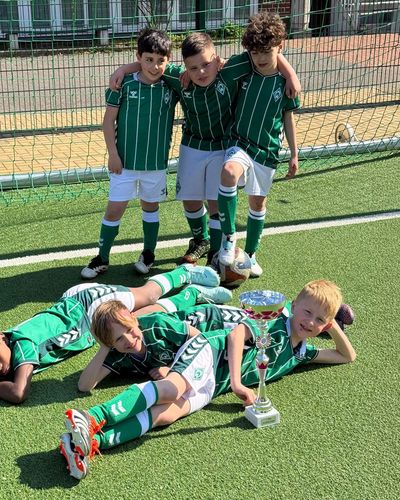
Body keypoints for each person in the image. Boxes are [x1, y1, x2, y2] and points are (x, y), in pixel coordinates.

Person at [59, 280, 356, 480]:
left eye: (320, 320)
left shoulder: (300, 352)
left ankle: (89, 443)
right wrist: (238, 384)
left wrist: (331, 326)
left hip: (214, 384)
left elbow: (346, 356)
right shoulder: (274, 324)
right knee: (170, 389)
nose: (311, 322)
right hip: (209, 351)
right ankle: (92, 416)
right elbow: (236, 334)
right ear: (294, 305)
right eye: (307, 312)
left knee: (166, 415)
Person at [110, 31, 300, 266]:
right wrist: (123, 70)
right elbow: (151, 66)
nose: (201, 72)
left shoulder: (229, 71)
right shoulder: (178, 77)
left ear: (217, 59)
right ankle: (201, 240)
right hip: (193, 144)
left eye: (206, 64)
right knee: (190, 201)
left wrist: (290, 74)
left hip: (223, 146)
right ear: (184, 68)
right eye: (193, 68)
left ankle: (216, 253)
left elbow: (265, 53)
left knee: (215, 202)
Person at [0, 264, 223, 404]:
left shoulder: (22, 342)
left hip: (86, 304)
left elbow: (19, 392)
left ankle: (183, 274)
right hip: (93, 330)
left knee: (147, 297)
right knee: (141, 319)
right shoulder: (11, 358)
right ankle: (191, 295)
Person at [81, 29, 178, 278]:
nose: (154, 66)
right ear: (139, 57)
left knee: (150, 207)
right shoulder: (124, 83)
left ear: (168, 60)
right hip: (123, 163)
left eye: (160, 61)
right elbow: (107, 122)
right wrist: (113, 154)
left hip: (155, 164)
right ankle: (102, 258)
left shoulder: (171, 85)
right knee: (114, 209)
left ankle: (148, 254)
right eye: (148, 60)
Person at [218, 12, 301, 277]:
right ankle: (229, 237)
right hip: (240, 142)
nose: (260, 58)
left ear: (280, 47)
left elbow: (288, 118)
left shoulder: (285, 83)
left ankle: (251, 254)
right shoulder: (245, 69)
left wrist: (294, 154)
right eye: (255, 53)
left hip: (267, 151)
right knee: (229, 172)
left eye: (267, 51)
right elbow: (218, 66)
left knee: (257, 204)